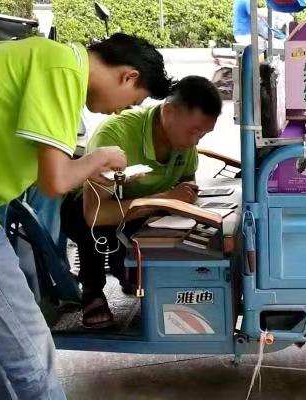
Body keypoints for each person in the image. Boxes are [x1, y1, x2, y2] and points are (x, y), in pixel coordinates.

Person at [0, 33, 171, 400]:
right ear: (128, 76)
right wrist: (100, 157)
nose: (122, 111)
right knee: (27, 347)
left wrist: (85, 167)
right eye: (133, 101)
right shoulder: (63, 71)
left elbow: (37, 157)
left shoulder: (42, 55)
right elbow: (55, 182)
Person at [61, 76, 222, 329]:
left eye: (203, 134)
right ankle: (92, 291)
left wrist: (182, 196)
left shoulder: (184, 143)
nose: (195, 142)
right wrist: (165, 199)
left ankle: (127, 271)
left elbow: (186, 185)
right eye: (194, 131)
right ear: (168, 112)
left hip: (141, 213)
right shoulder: (115, 134)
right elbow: (95, 214)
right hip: (93, 211)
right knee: (89, 222)